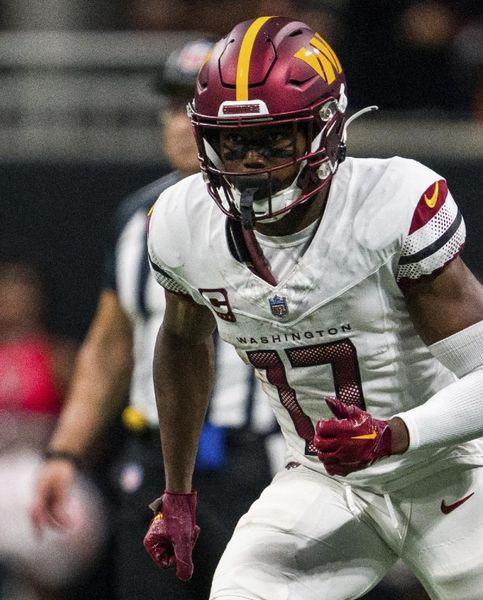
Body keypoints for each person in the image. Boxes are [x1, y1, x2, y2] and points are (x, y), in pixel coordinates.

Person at [143, 16, 483, 600]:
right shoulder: (181, 224)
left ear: (323, 132)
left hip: (448, 473)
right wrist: (177, 490)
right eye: (233, 143)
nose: (249, 164)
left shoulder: (391, 205)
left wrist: (392, 434)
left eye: (272, 140)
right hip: (327, 482)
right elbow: (182, 341)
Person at [30, 38, 282, 600]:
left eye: (192, 104)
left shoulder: (283, 214)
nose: (178, 122)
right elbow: (109, 345)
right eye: (170, 107)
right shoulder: (136, 218)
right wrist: (65, 452)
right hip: (152, 464)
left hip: (256, 461)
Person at [0, 253, 107, 600]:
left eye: (22, 288)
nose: (13, 297)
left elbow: (91, 429)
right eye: (6, 288)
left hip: (42, 475)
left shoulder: (58, 356)